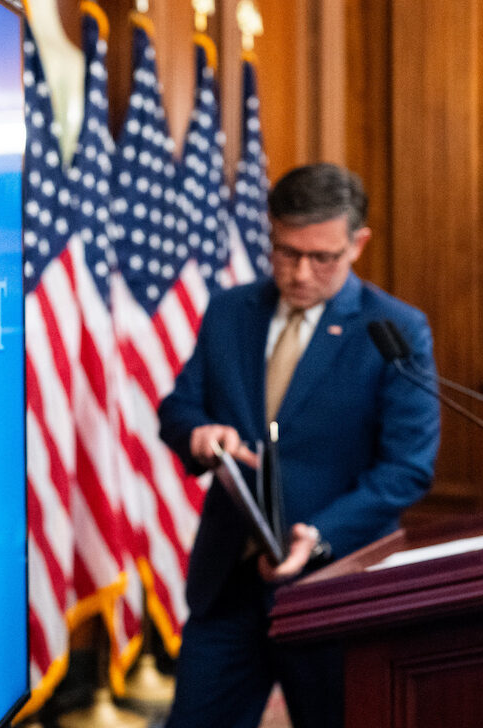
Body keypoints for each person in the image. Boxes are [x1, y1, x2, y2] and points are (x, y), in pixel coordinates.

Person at [158, 162, 440, 728]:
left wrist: (319, 538)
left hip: (332, 583)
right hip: (229, 579)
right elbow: (179, 406)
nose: (301, 273)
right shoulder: (230, 311)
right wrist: (199, 434)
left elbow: (406, 469)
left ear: (357, 244)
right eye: (285, 252)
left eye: (322, 257)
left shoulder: (395, 330)